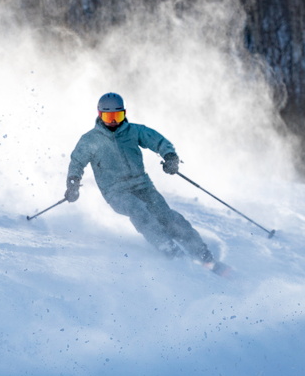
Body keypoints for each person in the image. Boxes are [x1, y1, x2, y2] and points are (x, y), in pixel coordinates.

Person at [65, 92, 230, 275]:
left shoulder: (134, 131)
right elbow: (77, 162)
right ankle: (170, 251)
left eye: (117, 116)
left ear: (124, 113)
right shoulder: (90, 140)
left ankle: (204, 256)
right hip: (115, 192)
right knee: (138, 210)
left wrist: (170, 156)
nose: (113, 121)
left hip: (143, 185)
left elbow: (157, 140)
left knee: (167, 216)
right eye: (108, 116)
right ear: (99, 114)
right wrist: (73, 183)